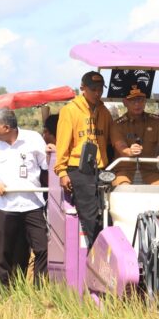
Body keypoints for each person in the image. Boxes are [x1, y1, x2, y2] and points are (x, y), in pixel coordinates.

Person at [0, 109, 48, 288]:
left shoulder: (33, 138)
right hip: (5, 206)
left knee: (42, 248)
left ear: (7, 128)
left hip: (33, 204)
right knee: (3, 253)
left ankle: (40, 289)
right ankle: (4, 292)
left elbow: (46, 164)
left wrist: (52, 150)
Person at [55, 71, 114, 246]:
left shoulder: (104, 111)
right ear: (83, 88)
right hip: (79, 169)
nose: (97, 93)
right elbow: (63, 143)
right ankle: (96, 252)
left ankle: (102, 251)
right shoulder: (69, 110)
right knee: (90, 218)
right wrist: (62, 172)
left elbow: (111, 139)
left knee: (107, 215)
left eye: (100, 89)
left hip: (101, 170)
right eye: (93, 89)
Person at [110, 86, 159, 186]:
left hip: (150, 172)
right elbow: (121, 147)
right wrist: (130, 151)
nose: (137, 104)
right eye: (132, 101)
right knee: (124, 190)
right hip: (123, 172)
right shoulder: (117, 124)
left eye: (140, 100)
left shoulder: (157, 122)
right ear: (125, 102)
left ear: (145, 101)